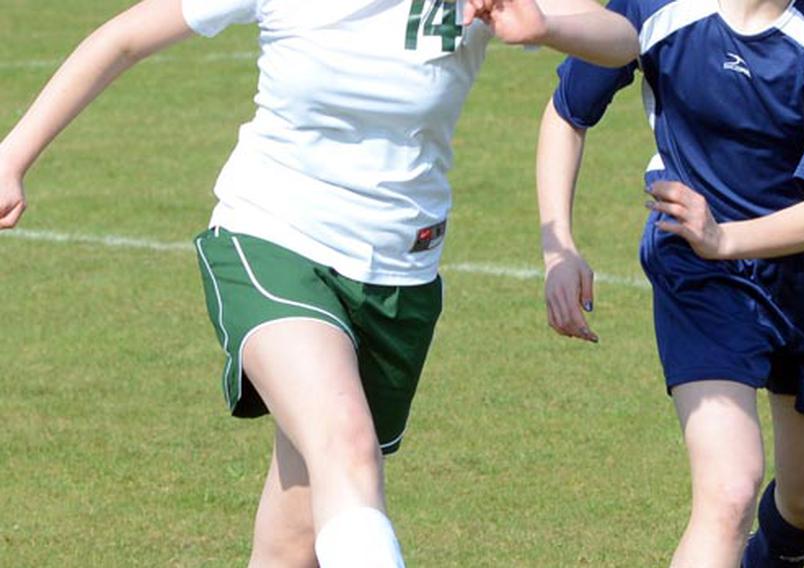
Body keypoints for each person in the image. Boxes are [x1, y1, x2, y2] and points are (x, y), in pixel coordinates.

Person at [0, 0, 639, 566]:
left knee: (293, 540)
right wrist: (10, 158)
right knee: (347, 444)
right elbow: (124, 36)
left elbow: (621, 35)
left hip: (400, 275)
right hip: (272, 238)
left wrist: (545, 24)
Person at [536, 0, 804, 566]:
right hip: (697, 269)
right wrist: (560, 250)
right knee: (729, 488)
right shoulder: (661, 7)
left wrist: (725, 237)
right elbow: (567, 112)